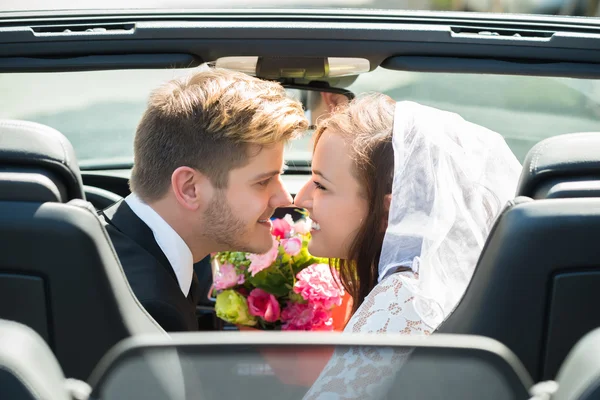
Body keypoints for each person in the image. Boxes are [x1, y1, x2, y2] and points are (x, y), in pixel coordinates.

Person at [294, 94, 521, 398]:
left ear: (386, 212)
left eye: (321, 185)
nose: (300, 199)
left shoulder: (404, 299)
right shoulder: (430, 284)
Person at [100, 67, 308, 332]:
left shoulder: (124, 246)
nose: (284, 197)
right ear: (190, 189)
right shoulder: (149, 310)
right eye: (263, 181)